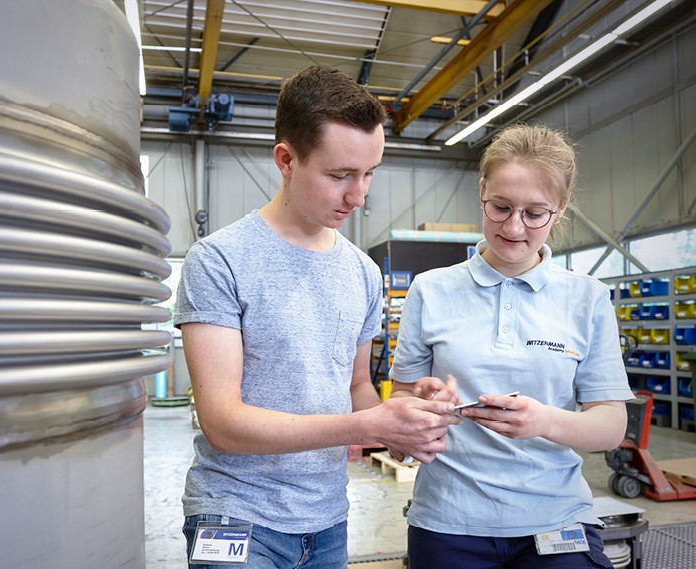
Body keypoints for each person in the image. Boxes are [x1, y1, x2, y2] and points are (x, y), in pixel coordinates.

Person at [173, 65, 461, 569]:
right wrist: (367, 422)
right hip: (234, 514)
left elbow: (356, 392)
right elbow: (223, 424)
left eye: (369, 172)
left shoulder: (364, 274)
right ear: (286, 160)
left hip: (326, 521)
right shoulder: (219, 261)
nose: (359, 195)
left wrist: (406, 421)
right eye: (339, 175)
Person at [389, 123, 634, 569]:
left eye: (535, 213)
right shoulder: (430, 290)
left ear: (559, 210)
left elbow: (611, 426)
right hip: (449, 520)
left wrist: (542, 420)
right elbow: (400, 409)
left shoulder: (588, 298)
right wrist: (417, 410)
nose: (514, 227)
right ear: (482, 191)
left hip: (555, 516)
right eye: (500, 207)